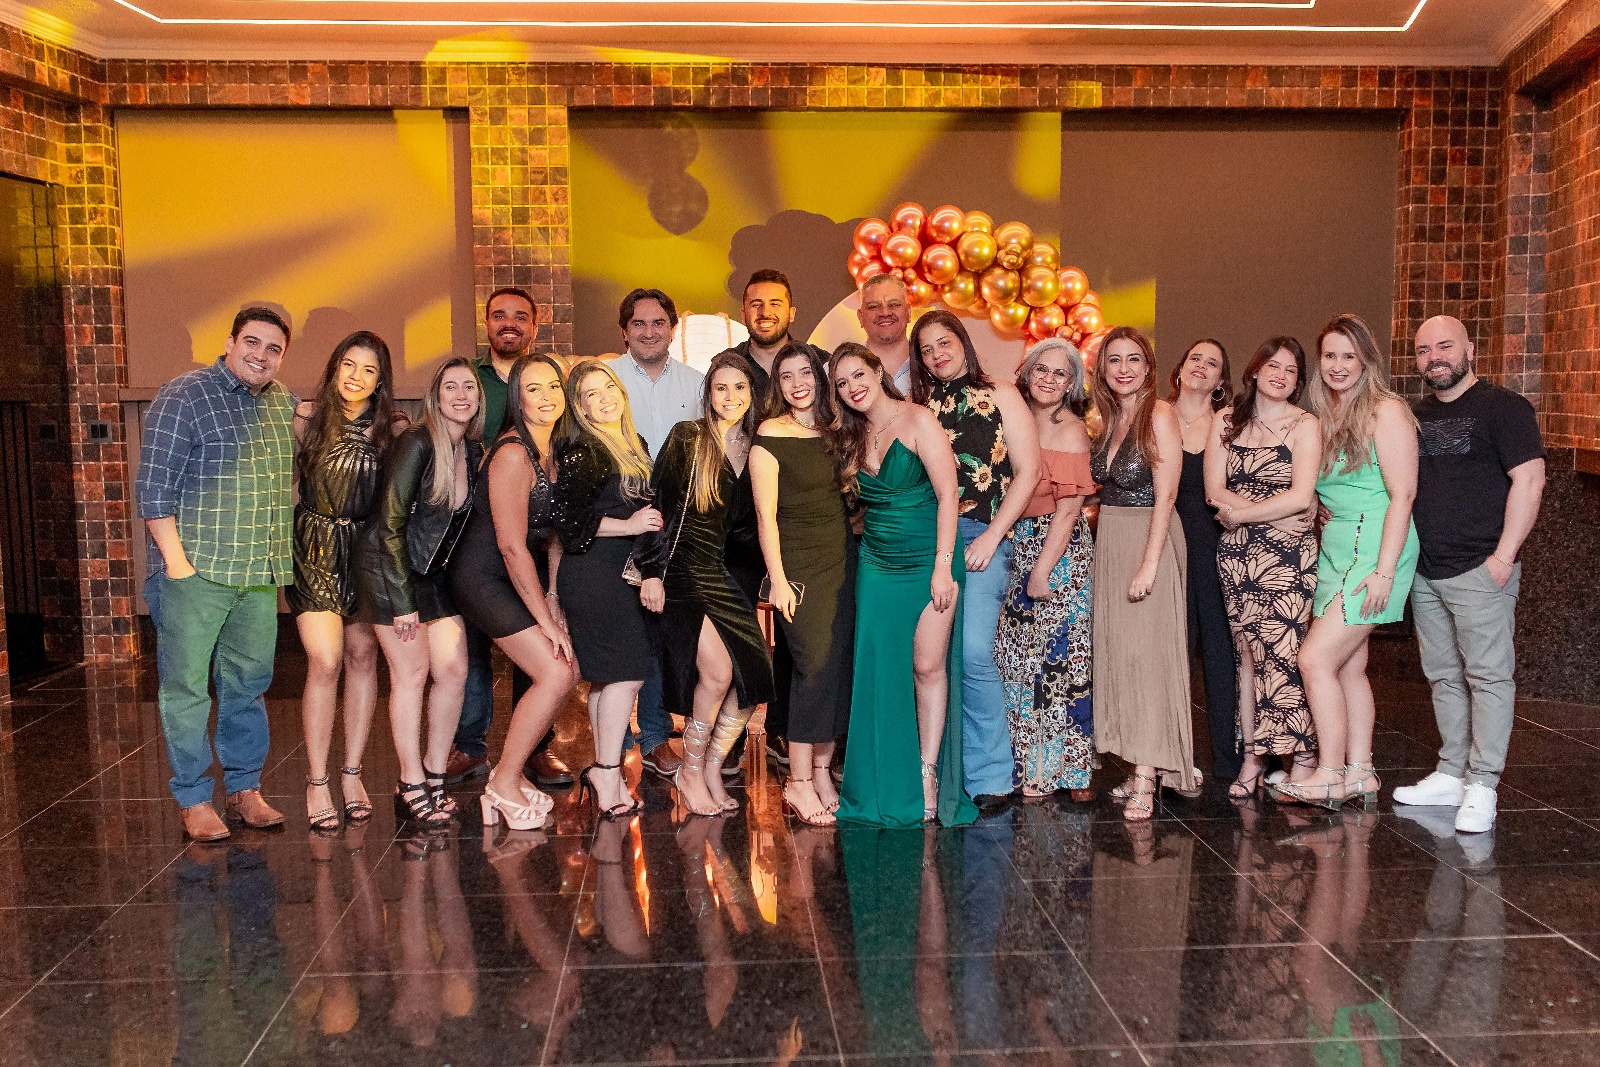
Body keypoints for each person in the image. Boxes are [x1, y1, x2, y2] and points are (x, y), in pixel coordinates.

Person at [137, 306, 296, 842]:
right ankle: (193, 797)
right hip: (195, 572)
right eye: (252, 342)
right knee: (186, 689)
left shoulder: (282, 403)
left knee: (248, 687)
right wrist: (178, 567)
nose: (261, 355)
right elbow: (154, 488)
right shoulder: (184, 395)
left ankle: (245, 789)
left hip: (257, 574)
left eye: (273, 348)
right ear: (230, 342)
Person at [1392, 315, 1545, 833]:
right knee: (1443, 675)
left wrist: (1503, 557)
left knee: (1488, 677)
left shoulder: (1504, 408)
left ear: (1470, 349)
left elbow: (1530, 481)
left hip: (1481, 568)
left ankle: (1483, 784)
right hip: (1426, 571)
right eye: (1423, 350)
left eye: (1445, 346)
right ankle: (1451, 773)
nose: (1434, 357)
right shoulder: (1413, 416)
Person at [1276, 313, 1420, 810]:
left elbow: (1403, 495)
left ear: (1366, 361)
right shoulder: (1323, 414)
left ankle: (1330, 774)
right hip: (1337, 546)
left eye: (1348, 356)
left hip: (1377, 545)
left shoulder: (1387, 410)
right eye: (1330, 356)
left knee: (1314, 659)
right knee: (1350, 667)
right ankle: (1361, 772)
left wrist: (1384, 572)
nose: (1338, 365)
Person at [832, 343, 977, 827]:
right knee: (879, 669)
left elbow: (948, 496)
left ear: (877, 370)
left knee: (927, 665)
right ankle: (883, 778)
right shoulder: (851, 436)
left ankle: (927, 772)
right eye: (842, 383)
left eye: (859, 374)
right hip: (876, 563)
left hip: (929, 557)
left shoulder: (918, 420)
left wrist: (942, 567)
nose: (853, 387)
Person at [909, 309, 1040, 812]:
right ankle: (942, 771)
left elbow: (1029, 472)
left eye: (944, 342)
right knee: (932, 659)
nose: (937, 354)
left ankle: (990, 776)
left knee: (974, 653)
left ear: (963, 342)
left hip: (984, 535)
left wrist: (992, 536)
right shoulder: (919, 408)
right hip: (930, 543)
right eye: (927, 349)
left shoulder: (1001, 394)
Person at [449, 354, 580, 831]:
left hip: (517, 574)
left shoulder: (553, 451)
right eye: (533, 389)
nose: (546, 397)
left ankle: (509, 775)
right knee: (554, 670)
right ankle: (503, 782)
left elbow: (554, 536)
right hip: (482, 577)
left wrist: (553, 598)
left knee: (566, 668)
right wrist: (545, 622)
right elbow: (510, 545)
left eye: (553, 387)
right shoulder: (512, 453)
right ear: (517, 399)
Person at [641, 351, 776, 816]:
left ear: (753, 393)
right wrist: (651, 571)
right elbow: (657, 506)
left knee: (754, 675)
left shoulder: (756, 446)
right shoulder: (689, 437)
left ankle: (713, 767)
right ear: (708, 393)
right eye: (721, 387)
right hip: (681, 570)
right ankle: (691, 770)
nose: (730, 397)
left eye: (739, 387)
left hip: (720, 573)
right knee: (718, 674)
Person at [354, 357, 484, 827]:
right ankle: (409, 781)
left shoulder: (470, 450)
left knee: (454, 670)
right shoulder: (416, 442)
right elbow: (388, 523)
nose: (460, 395)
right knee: (411, 674)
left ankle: (434, 772)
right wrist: (402, 602)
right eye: (450, 387)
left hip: (433, 576)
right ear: (435, 396)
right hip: (390, 573)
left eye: (469, 387)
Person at [289, 330, 403, 833]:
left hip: (364, 549)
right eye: (349, 365)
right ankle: (317, 780)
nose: (356, 377)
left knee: (362, 656)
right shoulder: (306, 417)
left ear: (381, 381)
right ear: (335, 366)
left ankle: (352, 773)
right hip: (315, 543)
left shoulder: (390, 428)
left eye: (369, 370)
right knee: (325, 658)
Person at [1205, 337, 1321, 798]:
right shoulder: (1226, 420)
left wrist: (1242, 514)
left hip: (1288, 555)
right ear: (1254, 370)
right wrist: (1253, 515)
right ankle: (1252, 757)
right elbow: (1214, 489)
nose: (1280, 375)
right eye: (1273, 366)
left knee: (1286, 654)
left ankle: (1304, 756)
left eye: (1291, 370)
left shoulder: (1305, 425)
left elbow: (1302, 496)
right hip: (1237, 556)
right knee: (1248, 657)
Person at [552, 359, 665, 820]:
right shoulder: (584, 451)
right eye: (590, 395)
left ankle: (608, 773)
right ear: (579, 408)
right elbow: (569, 524)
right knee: (628, 674)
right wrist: (630, 525)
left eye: (608, 388)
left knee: (608, 677)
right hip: (593, 573)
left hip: (620, 572)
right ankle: (605, 770)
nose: (603, 400)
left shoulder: (633, 443)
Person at [1090, 326, 1194, 821]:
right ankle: (1137, 763)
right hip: (1111, 538)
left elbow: (1166, 493)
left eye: (1134, 359)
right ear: (1102, 369)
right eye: (1114, 360)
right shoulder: (1110, 418)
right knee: (1124, 655)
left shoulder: (1160, 414)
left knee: (1149, 660)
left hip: (1149, 536)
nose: (1124, 368)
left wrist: (1150, 563)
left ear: (1149, 368)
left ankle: (1149, 776)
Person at [750, 344, 855, 825]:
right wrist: (778, 580)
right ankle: (797, 781)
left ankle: (821, 772)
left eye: (806, 373)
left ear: (820, 377)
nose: (797, 384)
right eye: (787, 376)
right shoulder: (770, 434)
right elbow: (765, 517)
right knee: (812, 669)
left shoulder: (836, 430)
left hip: (842, 561)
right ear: (777, 384)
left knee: (834, 669)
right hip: (798, 566)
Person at [607, 288, 704, 780]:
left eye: (658, 323)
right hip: (617, 516)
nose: (649, 332)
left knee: (661, 631)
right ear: (624, 331)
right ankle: (611, 740)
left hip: (676, 522)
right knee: (620, 631)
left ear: (672, 328)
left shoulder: (697, 383)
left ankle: (654, 734)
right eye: (639, 324)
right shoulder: (606, 381)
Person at [993, 338, 1096, 801]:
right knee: (1015, 660)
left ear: (1072, 383)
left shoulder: (1070, 430)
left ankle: (1054, 770)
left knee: (1055, 663)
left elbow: (1070, 510)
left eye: (1060, 373)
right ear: (1027, 372)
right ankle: (1019, 763)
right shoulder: (1012, 417)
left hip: (1057, 551)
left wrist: (1042, 572)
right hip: (1016, 543)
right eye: (1042, 369)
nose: (1049, 379)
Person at [1168, 338, 1242, 784]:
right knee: (1170, 653)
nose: (1201, 366)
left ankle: (1228, 761)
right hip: (1165, 547)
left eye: (1212, 363)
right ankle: (1169, 759)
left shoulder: (1229, 424)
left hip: (1216, 548)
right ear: (1179, 369)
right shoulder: (1155, 416)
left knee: (1220, 654)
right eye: (1194, 357)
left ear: (1220, 381)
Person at [733, 268, 830, 404]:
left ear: (791, 313)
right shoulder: (728, 365)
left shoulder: (820, 362)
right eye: (756, 304)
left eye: (775, 304)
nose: (765, 312)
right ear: (743, 315)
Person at [856, 273, 914, 395]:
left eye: (894, 305)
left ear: (909, 313)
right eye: (873, 307)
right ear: (860, 317)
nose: (885, 313)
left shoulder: (935, 363)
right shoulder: (837, 371)